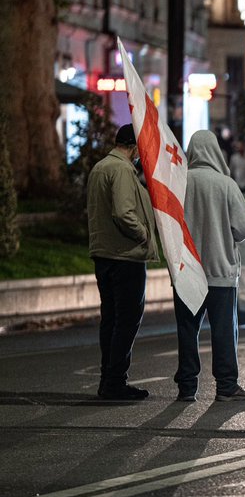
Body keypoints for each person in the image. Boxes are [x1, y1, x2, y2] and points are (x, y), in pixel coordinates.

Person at [174, 130, 245, 403]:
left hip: (187, 273)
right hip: (221, 272)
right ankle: (226, 386)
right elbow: (243, 227)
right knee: (223, 332)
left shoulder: (180, 183)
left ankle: (187, 386)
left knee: (187, 330)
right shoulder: (226, 185)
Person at [86, 123, 159, 400]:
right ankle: (115, 381)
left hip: (104, 254)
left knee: (111, 319)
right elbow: (124, 212)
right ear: (134, 146)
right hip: (125, 255)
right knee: (127, 320)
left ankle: (108, 379)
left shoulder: (100, 167)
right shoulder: (122, 170)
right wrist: (143, 235)